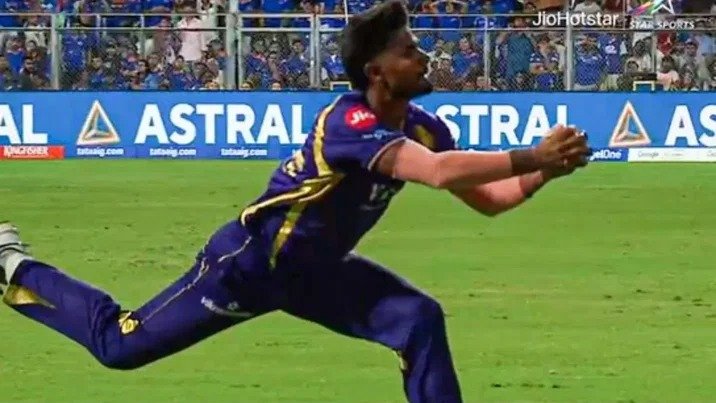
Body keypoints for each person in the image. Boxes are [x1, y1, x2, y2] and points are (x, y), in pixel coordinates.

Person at [0, 1, 591, 401]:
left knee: (418, 319)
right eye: (410, 51)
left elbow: (489, 199)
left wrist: (548, 171)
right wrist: (531, 155)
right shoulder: (348, 122)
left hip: (318, 275)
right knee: (120, 347)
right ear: (377, 72)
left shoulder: (424, 127)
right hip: (248, 266)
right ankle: (14, 266)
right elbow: (436, 174)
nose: (424, 57)